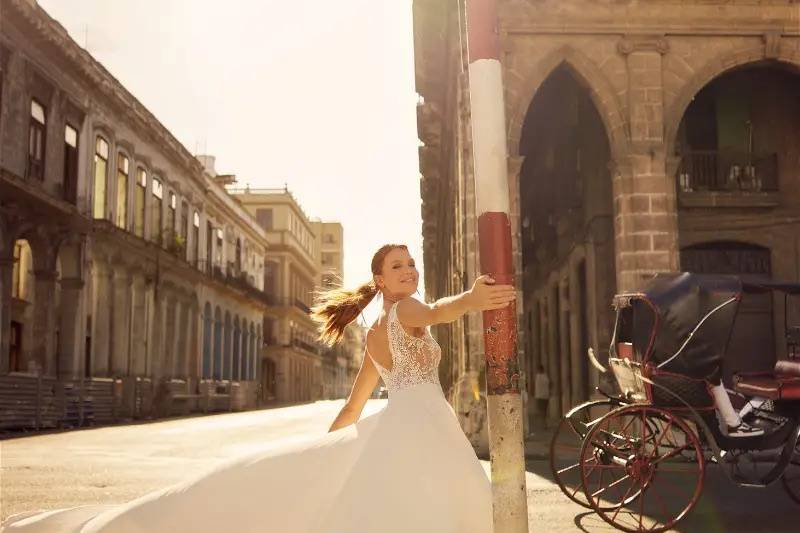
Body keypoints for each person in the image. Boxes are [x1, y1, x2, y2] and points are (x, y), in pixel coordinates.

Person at [1, 243, 515, 533]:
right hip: (422, 433)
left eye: (410, 263)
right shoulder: (406, 311)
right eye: (397, 266)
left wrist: (323, 447)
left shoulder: (376, 334)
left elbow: (354, 407)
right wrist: (473, 298)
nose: (409, 270)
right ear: (380, 281)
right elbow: (441, 311)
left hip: (412, 429)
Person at [533, 364, 550, 430]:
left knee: (541, 411)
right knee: (544, 411)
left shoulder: (537, 376)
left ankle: (543, 424)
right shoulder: (545, 376)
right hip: (545, 396)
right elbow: (549, 384)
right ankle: (544, 424)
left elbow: (534, 386)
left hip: (539, 396)